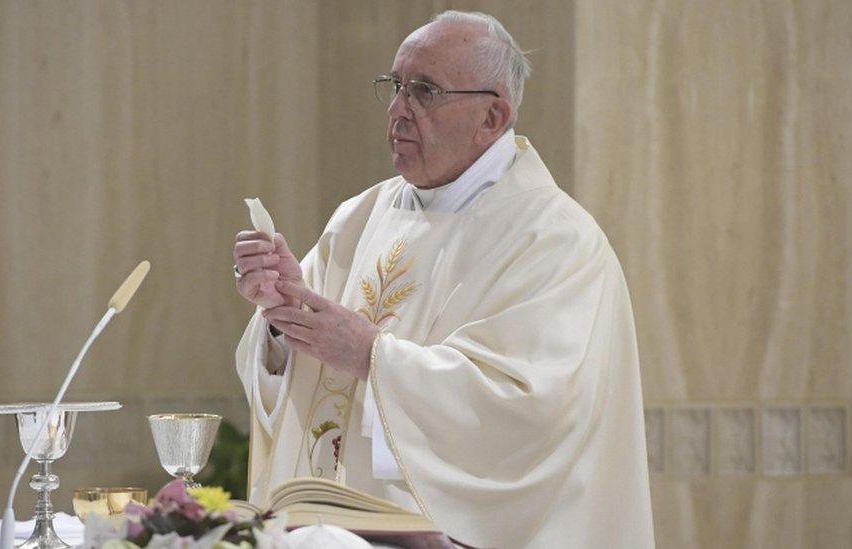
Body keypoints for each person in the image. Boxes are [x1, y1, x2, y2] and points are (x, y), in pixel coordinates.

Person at [234, 10, 654, 548]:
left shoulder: (556, 242)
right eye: (395, 87)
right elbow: (286, 370)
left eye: (424, 91)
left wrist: (371, 356)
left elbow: (527, 410)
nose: (397, 112)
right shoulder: (361, 216)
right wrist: (279, 314)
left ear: (493, 117)